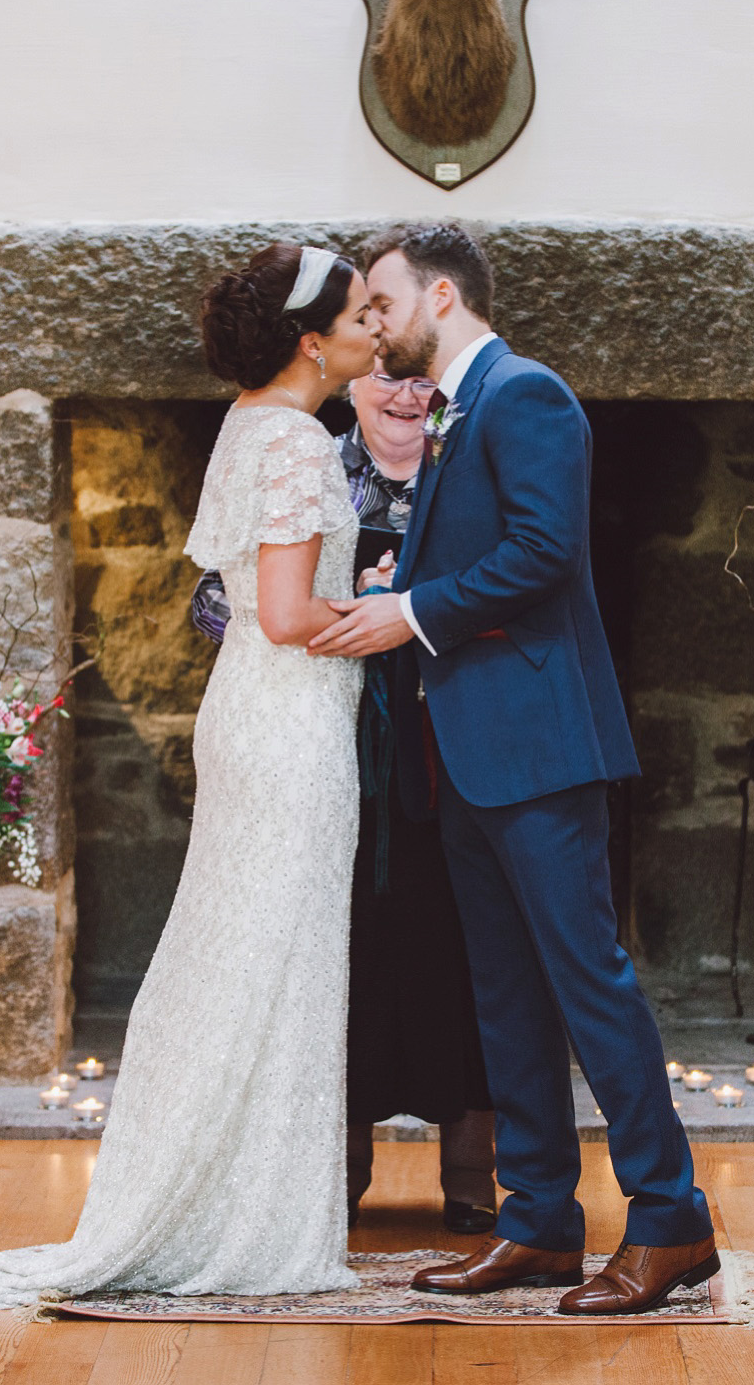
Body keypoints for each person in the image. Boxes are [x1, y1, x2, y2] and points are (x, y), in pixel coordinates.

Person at [0, 242, 381, 1310]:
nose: (375, 325)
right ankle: (254, 1225)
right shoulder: (302, 443)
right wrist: (398, 615)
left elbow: (262, 593)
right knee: (281, 956)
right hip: (293, 723)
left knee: (240, 953)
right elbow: (288, 614)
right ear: (315, 340)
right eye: (359, 312)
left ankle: (219, 1201)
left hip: (250, 715)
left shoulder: (250, 423)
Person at [307, 223, 719, 1316]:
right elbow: (487, 555)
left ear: (442, 296)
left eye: (386, 302)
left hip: (538, 745)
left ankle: (672, 1220)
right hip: (471, 753)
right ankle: (537, 1220)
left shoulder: (526, 393)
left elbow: (545, 551)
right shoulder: (455, 408)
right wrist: (412, 578)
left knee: (590, 982)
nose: (377, 323)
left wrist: (413, 609)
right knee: (508, 993)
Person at [192, 363, 497, 1235]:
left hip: (452, 741)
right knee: (345, 940)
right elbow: (218, 600)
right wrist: (336, 612)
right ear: (352, 383)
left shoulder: (473, 464)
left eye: (422, 382)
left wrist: (419, 606)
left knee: (463, 941)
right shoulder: (308, 461)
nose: (404, 396)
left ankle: (473, 1173)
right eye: (386, 379)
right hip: (329, 738)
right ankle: (339, 1169)